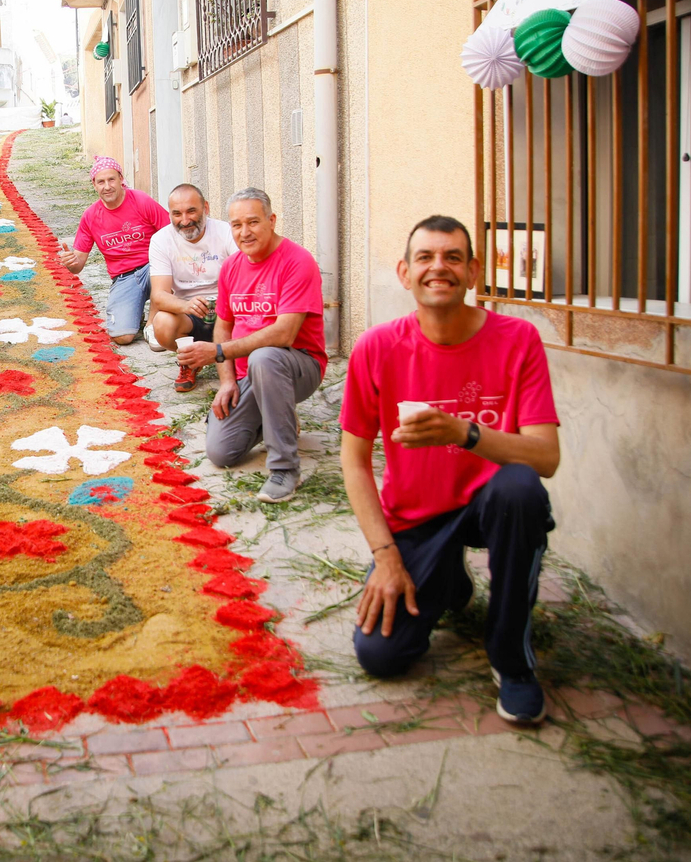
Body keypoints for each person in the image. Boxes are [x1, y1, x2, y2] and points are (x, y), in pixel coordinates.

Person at [339, 215, 560, 726]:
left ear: (473, 271)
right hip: (419, 515)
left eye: (453, 257)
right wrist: (386, 556)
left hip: (491, 505)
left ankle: (513, 661)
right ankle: (448, 580)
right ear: (404, 272)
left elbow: (546, 457)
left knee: (521, 489)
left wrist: (465, 433)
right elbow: (353, 461)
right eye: (426, 257)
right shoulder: (376, 347)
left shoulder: (518, 339)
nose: (439, 267)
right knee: (381, 655)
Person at [179, 188, 327, 504]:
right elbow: (223, 326)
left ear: (271, 221)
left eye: (253, 222)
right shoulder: (232, 267)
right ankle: (279, 417)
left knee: (265, 357)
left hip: (298, 366)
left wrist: (218, 353)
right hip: (249, 375)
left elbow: (285, 334)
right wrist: (227, 381)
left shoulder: (297, 261)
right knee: (221, 452)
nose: (244, 233)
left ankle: (285, 468)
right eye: (236, 225)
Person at [58, 156, 169, 344]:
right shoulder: (90, 216)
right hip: (124, 277)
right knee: (122, 337)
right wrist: (71, 263)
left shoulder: (141, 200)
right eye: (101, 182)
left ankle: (152, 324)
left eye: (111, 179)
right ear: (94, 185)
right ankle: (136, 312)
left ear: (121, 179)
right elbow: (78, 265)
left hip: (154, 267)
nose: (107, 186)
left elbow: (171, 234)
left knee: (163, 275)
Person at [144, 183, 237, 393]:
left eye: (191, 211)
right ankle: (191, 360)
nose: (184, 220)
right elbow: (159, 296)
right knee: (162, 323)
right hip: (190, 313)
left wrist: (225, 304)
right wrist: (186, 306)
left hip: (227, 311)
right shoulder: (160, 240)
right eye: (177, 213)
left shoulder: (227, 232)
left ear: (206, 207)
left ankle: (232, 358)